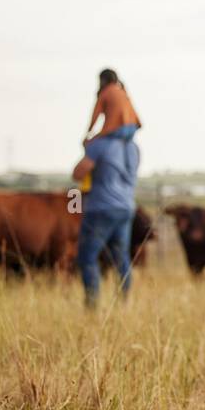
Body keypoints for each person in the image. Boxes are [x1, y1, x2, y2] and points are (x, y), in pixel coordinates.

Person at [72, 97, 141, 308]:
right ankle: (124, 304)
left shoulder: (99, 145)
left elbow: (78, 173)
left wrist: (87, 149)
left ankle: (92, 306)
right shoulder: (133, 148)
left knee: (87, 257)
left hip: (101, 207)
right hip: (126, 208)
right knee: (121, 258)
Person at [85, 68, 142, 146]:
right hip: (132, 127)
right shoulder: (122, 91)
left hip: (118, 128)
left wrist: (88, 133)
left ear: (103, 80)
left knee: (93, 145)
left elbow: (95, 115)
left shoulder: (105, 92)